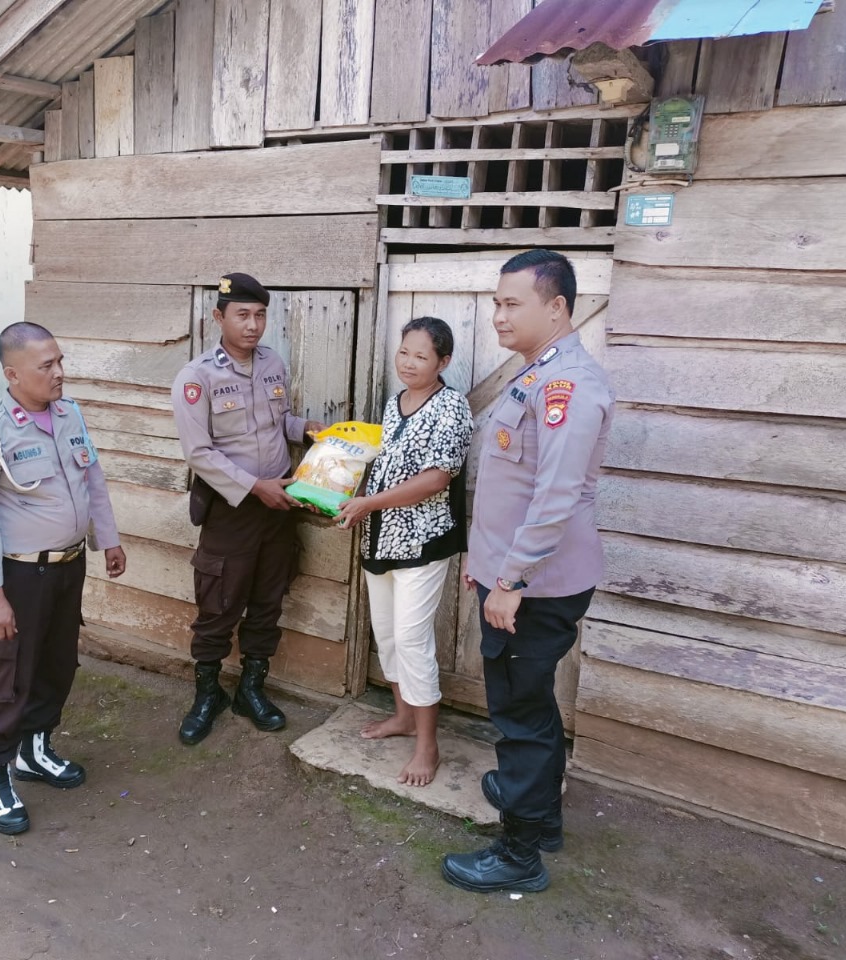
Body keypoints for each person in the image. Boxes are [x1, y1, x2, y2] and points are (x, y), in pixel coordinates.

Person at [441, 249, 615, 894]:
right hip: (513, 576)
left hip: (533, 586)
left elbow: (554, 496)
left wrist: (509, 581)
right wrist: (487, 568)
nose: (498, 315)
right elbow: (512, 491)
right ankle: (535, 810)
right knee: (526, 702)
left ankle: (520, 852)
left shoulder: (569, 386)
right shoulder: (536, 375)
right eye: (496, 302)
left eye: (512, 303)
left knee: (519, 712)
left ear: (558, 306)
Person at [0, 322, 127, 835]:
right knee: (6, 676)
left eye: (60, 361)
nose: (59, 373)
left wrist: (107, 539)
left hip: (69, 566)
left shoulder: (70, 415)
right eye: (45, 366)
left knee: (55, 663)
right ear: (12, 373)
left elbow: (91, 478)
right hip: (18, 577)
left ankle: (34, 750)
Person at [170, 273, 322, 745]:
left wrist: (306, 429)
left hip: (280, 504)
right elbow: (199, 454)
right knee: (217, 603)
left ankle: (250, 690)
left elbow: (277, 423)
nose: (253, 325)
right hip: (232, 509)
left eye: (260, 315)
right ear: (219, 317)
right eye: (242, 315)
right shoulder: (197, 378)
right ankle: (208, 692)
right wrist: (255, 487)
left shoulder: (273, 363)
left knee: (267, 599)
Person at [335, 317, 473, 787]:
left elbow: (437, 478)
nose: (409, 363)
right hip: (381, 538)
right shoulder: (394, 406)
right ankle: (403, 716)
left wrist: (368, 502)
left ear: (443, 362)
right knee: (388, 635)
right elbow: (381, 465)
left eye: (421, 356)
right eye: (404, 352)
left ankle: (427, 747)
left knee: (414, 642)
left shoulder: (452, 408)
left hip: (424, 542)